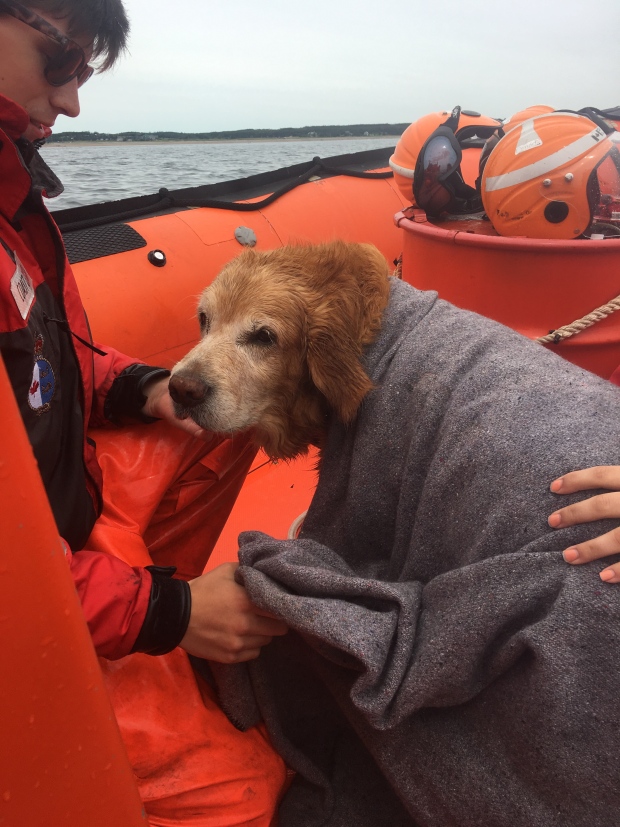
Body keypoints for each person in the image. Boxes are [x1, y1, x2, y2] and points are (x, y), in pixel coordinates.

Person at [0, 1, 288, 823]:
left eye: (85, 75)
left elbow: (58, 366)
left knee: (230, 412)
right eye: (61, 65)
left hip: (60, 512)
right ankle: (158, 630)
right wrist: (171, 614)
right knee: (239, 799)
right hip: (29, 587)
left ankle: (159, 616)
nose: (74, 103)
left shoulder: (15, 198)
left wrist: (148, 388)